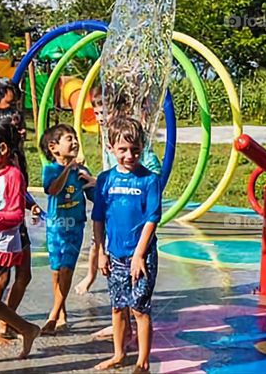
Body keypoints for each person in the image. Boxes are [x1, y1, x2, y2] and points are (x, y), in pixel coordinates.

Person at [92, 117, 162, 373]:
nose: (130, 155)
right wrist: (101, 252)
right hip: (115, 255)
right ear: (110, 148)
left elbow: (152, 218)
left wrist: (139, 255)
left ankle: (143, 362)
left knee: (139, 308)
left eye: (135, 149)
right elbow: (98, 218)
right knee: (118, 306)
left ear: (142, 147)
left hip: (141, 256)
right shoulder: (105, 180)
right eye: (123, 150)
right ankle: (119, 354)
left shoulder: (149, 180)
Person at [75, 88, 161, 297]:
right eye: (97, 114)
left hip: (132, 205)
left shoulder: (130, 143)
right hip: (113, 198)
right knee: (98, 241)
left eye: (104, 113)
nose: (101, 119)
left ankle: (97, 277)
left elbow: (150, 174)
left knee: (137, 296)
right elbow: (112, 173)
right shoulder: (110, 142)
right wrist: (98, 181)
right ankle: (91, 276)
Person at [0, 122, 40, 358]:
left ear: (3, 148)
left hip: (2, 247)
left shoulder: (13, 175)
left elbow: (16, 215)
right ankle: (28, 329)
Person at [39, 123, 94, 334]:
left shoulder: (82, 171)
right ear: (53, 147)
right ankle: (61, 310)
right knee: (55, 271)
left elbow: (93, 195)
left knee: (66, 269)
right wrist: (68, 169)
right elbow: (52, 189)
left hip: (75, 226)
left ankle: (53, 315)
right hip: (56, 227)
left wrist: (93, 184)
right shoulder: (51, 169)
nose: (74, 142)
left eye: (75, 138)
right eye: (69, 139)